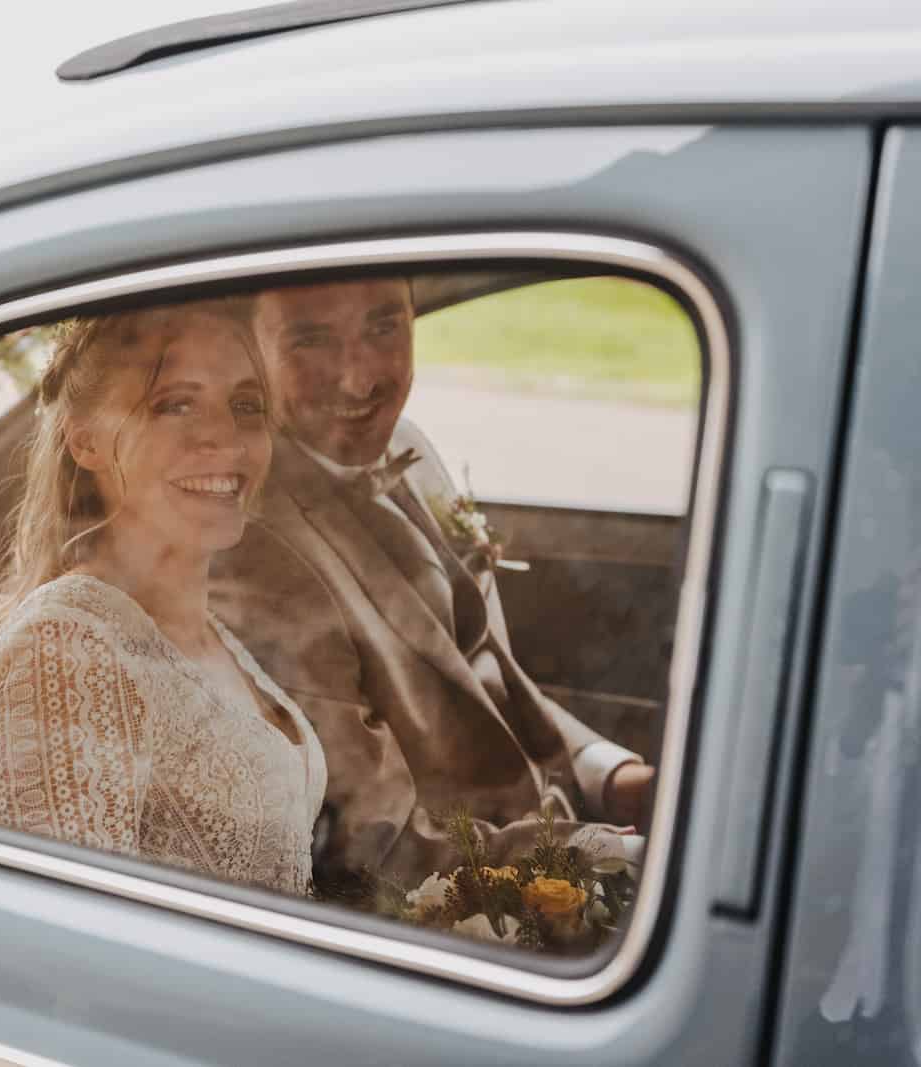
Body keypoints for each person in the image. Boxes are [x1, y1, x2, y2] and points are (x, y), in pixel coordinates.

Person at [210, 276, 657, 899]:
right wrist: (624, 855)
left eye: (384, 326)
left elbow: (485, 671)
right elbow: (374, 848)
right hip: (461, 889)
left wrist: (615, 776)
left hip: (544, 822)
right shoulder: (249, 549)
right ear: (249, 349)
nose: (360, 378)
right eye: (312, 340)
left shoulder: (405, 440)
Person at [0, 300, 327, 897]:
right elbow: (72, 939)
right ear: (85, 441)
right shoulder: (62, 651)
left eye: (246, 405)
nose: (224, 437)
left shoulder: (206, 631)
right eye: (175, 404)